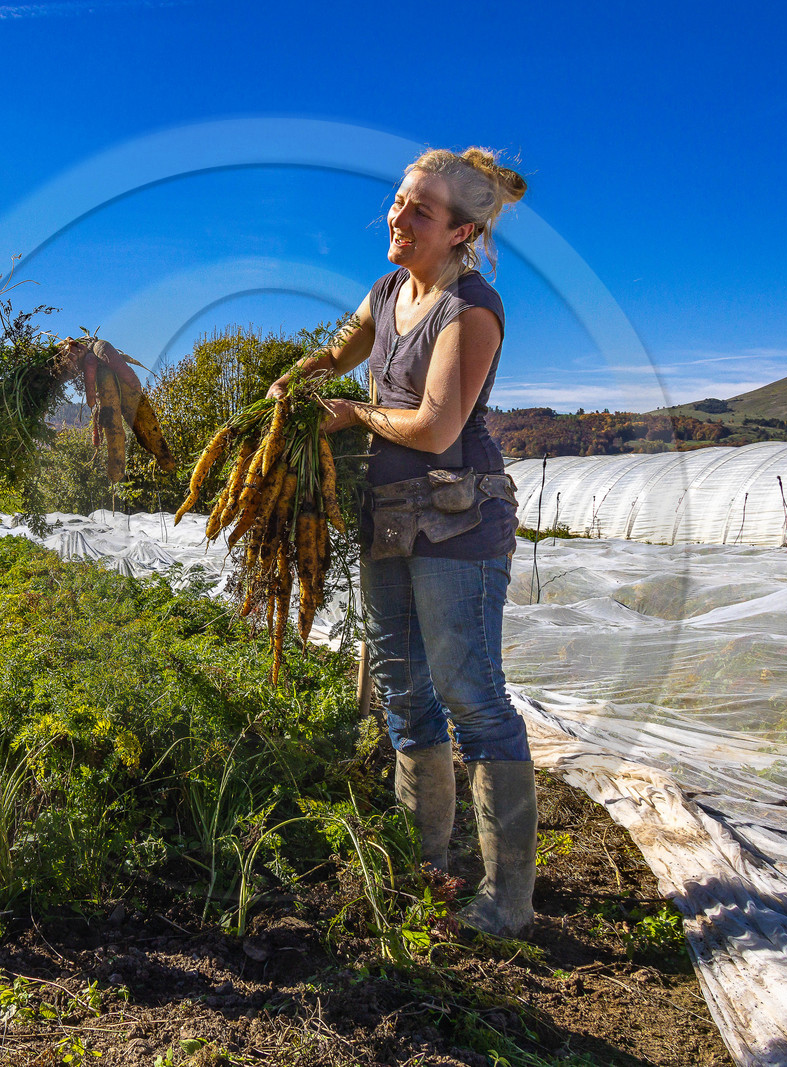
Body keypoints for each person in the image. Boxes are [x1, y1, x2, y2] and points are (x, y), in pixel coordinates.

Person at [269, 147, 536, 936]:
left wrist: (351, 414)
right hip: (389, 517)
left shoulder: (471, 309)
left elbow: (435, 425)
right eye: (398, 200)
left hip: (458, 522)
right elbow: (339, 350)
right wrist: (300, 376)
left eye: (420, 210)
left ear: (460, 232)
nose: (398, 216)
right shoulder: (387, 290)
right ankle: (427, 867)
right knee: (405, 692)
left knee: (473, 699)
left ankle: (508, 900)